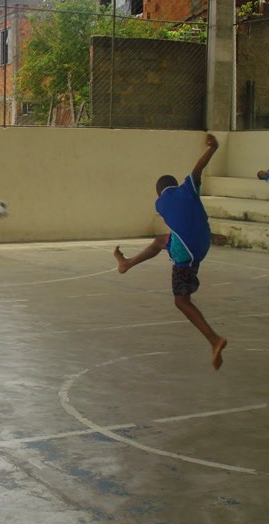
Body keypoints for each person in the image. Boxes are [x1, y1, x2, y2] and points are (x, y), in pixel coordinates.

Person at [113, 134, 227, 370]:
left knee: (181, 301)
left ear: (158, 192)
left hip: (186, 250)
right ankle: (126, 263)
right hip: (201, 243)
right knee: (160, 241)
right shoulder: (188, 189)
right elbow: (198, 170)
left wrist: (214, 148)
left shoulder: (160, 203)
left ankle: (214, 340)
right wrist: (212, 148)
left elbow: (194, 175)